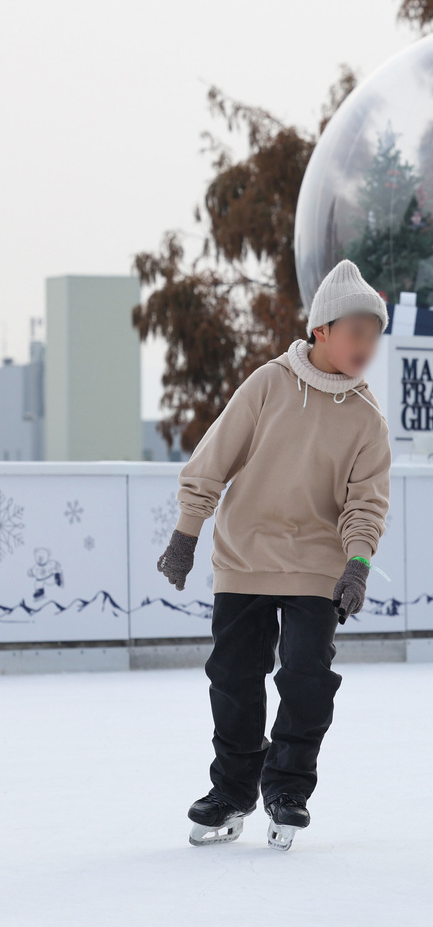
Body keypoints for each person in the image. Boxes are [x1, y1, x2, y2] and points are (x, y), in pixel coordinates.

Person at [156, 259, 391, 851]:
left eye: (374, 333)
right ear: (321, 330)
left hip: (317, 563)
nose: (366, 344)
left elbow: (366, 504)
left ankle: (287, 788)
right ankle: (233, 790)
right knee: (234, 678)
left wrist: (357, 565)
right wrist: (187, 533)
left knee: (307, 677)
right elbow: (214, 457)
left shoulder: (367, 420)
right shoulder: (267, 384)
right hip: (244, 555)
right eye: (355, 331)